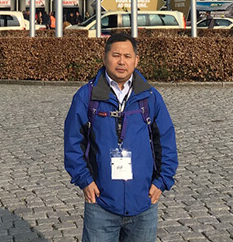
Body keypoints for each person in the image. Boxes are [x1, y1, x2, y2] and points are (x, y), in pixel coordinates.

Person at [64, 33, 178, 242]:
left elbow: (166, 141)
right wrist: (84, 180)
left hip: (143, 203)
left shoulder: (150, 96)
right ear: (105, 57)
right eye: (116, 55)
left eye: (127, 56)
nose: (121, 62)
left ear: (136, 60)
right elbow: (73, 142)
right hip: (101, 203)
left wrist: (162, 181)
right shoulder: (86, 96)